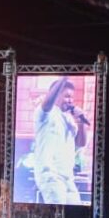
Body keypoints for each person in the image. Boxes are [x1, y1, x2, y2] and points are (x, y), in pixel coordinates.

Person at [32, 76, 88, 205]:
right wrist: (63, 78)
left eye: (72, 97)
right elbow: (47, 103)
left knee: (75, 215)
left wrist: (81, 121)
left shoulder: (69, 120)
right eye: (67, 96)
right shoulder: (46, 114)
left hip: (68, 177)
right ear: (56, 95)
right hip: (51, 175)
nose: (70, 100)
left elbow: (81, 143)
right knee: (58, 215)